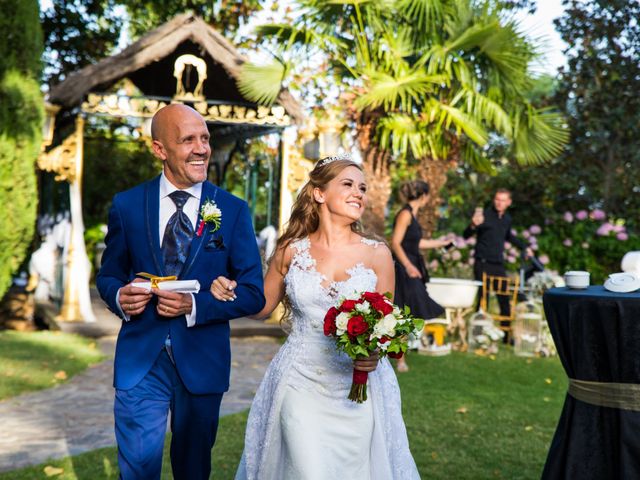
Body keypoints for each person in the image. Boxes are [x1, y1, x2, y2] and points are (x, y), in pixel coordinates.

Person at [210, 155, 420, 479]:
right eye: (348, 184)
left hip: (357, 386)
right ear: (319, 193)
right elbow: (262, 307)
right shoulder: (291, 250)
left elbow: (386, 324)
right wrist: (230, 289)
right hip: (300, 380)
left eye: (362, 187)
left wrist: (375, 353)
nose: (358, 193)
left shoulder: (378, 254)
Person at [96, 104, 265, 480]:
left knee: (193, 470)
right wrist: (118, 297)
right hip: (141, 361)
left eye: (204, 138)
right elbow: (108, 276)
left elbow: (254, 293)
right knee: (137, 469)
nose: (202, 148)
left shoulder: (233, 210)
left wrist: (195, 305)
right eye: (188, 140)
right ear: (160, 149)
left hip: (202, 363)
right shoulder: (126, 206)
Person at [391, 180, 449, 372]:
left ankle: (400, 356)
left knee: (407, 312)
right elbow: (396, 243)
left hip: (412, 266)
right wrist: (407, 266)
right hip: (403, 269)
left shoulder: (412, 215)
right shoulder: (405, 214)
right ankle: (399, 359)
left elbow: (416, 244)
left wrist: (441, 243)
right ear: (423, 196)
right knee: (403, 311)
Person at [463, 188, 532, 342]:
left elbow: (508, 236)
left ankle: (507, 336)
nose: (499, 203)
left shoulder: (507, 219)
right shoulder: (484, 216)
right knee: (483, 299)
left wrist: (524, 247)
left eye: (502, 200)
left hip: (497, 264)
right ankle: (478, 334)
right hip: (482, 263)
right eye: (497, 199)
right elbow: (466, 234)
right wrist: (473, 225)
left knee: (504, 298)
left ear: (509, 202)